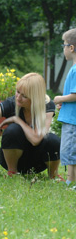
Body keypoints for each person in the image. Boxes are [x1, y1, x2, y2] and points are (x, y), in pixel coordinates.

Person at [53, 28, 76, 187]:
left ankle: (70, 181)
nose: (64, 49)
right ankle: (70, 180)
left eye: (64, 45)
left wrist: (59, 98)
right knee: (71, 151)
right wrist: (65, 103)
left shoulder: (75, 70)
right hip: (71, 115)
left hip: (73, 120)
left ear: (72, 48)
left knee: (70, 151)